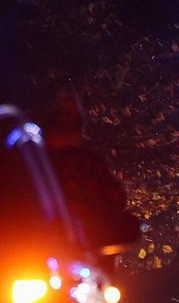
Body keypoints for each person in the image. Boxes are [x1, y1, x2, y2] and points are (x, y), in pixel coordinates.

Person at [43, 88, 134, 258]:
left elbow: (116, 198)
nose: (65, 120)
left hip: (87, 254)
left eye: (71, 115)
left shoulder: (90, 162)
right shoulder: (35, 162)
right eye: (60, 114)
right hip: (40, 253)